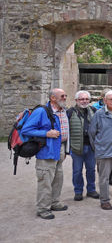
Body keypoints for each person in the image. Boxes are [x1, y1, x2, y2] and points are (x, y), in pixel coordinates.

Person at [21, 88, 68, 219]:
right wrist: (46, 133)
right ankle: (43, 209)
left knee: (58, 178)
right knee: (45, 180)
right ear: (53, 98)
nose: (65, 98)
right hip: (46, 151)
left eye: (65, 95)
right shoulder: (41, 111)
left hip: (60, 150)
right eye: (62, 96)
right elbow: (26, 130)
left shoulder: (62, 111)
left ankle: (55, 203)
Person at [67, 90, 99, 201]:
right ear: (76, 100)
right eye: (81, 99)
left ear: (89, 100)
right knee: (77, 171)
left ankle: (91, 190)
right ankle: (78, 191)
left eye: (86, 99)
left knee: (91, 170)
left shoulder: (94, 111)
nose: (84, 101)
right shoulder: (70, 112)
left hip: (91, 147)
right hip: (76, 147)